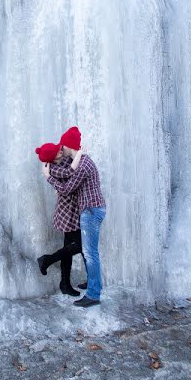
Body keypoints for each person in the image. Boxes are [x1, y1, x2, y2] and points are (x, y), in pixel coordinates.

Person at [46, 126, 106, 308]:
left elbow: (65, 189)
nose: (60, 149)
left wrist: (48, 176)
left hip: (91, 211)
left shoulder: (83, 165)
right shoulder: (80, 161)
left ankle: (93, 295)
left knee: (90, 253)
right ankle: (91, 283)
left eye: (62, 145)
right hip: (90, 210)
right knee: (88, 252)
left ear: (68, 146)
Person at [35, 142, 84, 296]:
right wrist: (80, 154)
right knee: (80, 246)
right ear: (53, 158)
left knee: (69, 247)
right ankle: (47, 260)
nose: (61, 151)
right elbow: (70, 172)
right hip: (68, 212)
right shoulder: (54, 169)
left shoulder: (58, 160)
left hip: (73, 209)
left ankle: (64, 283)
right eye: (57, 152)